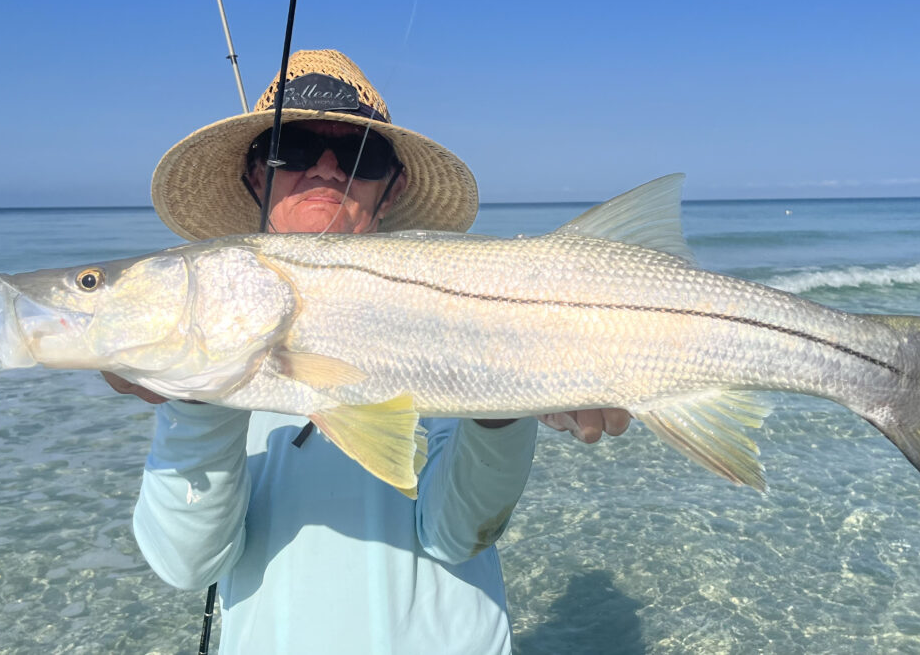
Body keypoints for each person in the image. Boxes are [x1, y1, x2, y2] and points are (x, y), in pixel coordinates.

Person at [107, 50, 629, 654]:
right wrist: (194, 401)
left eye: (361, 154)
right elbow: (187, 564)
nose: (326, 170)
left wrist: (502, 407)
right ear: (257, 175)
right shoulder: (215, 345)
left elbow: (457, 537)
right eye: (293, 147)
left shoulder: (442, 313)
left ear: (392, 187)